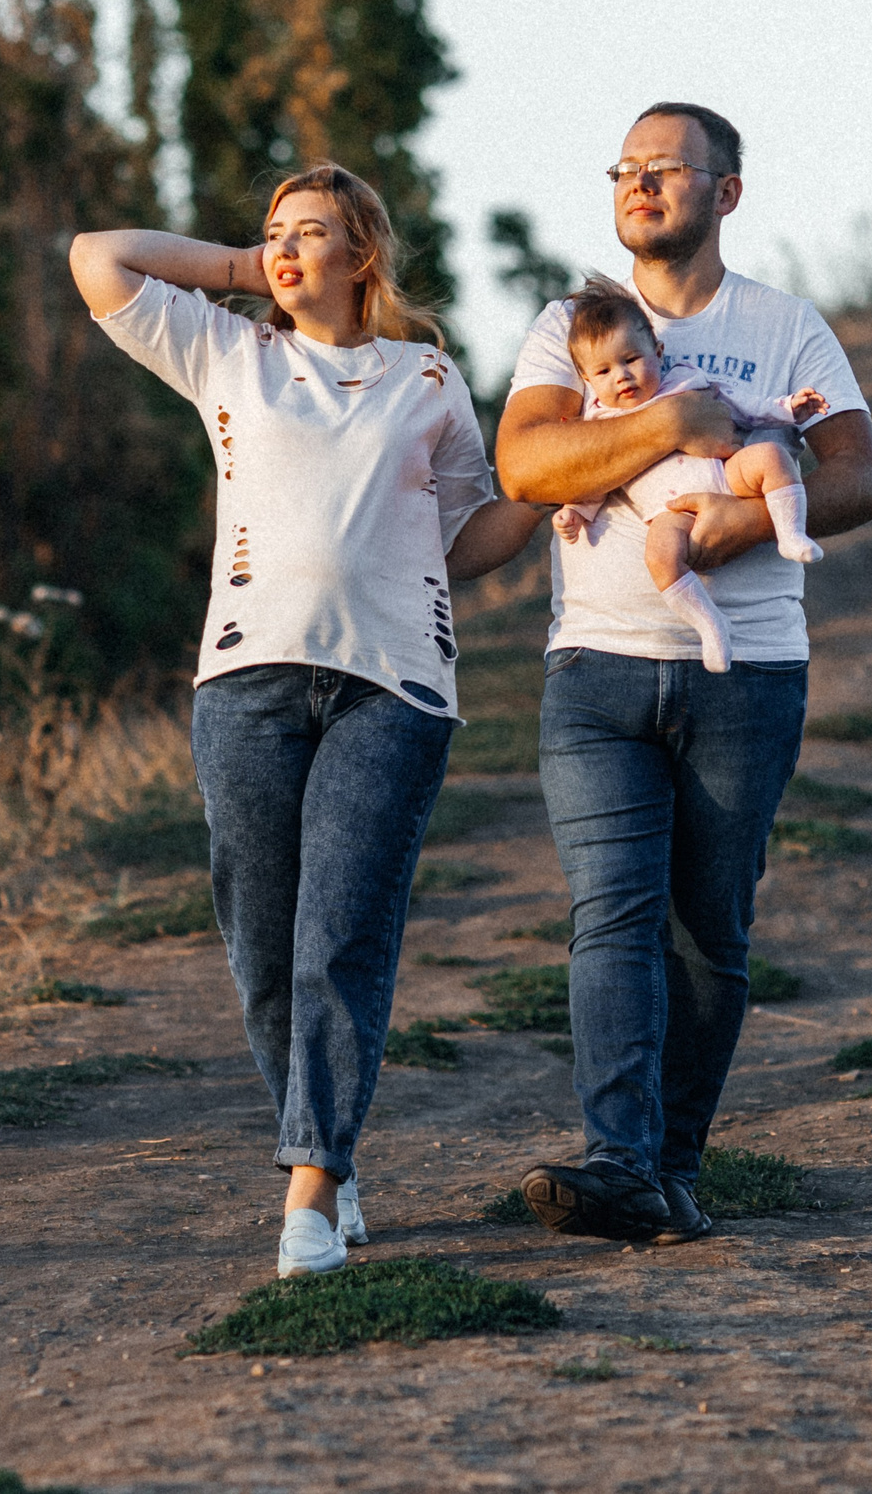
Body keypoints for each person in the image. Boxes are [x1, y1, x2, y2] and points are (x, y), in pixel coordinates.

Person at [69, 163, 545, 1277]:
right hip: (246, 680)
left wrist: (550, 493)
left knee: (342, 932)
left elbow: (465, 537)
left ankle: (313, 1190)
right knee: (263, 943)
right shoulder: (228, 351)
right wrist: (245, 269)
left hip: (394, 685)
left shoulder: (428, 378)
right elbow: (97, 257)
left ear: (362, 254)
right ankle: (323, 1136)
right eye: (274, 230)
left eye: (310, 232)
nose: (285, 247)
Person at [494, 103, 872, 1244]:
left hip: (747, 677)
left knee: (709, 933)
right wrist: (673, 418)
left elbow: (863, 479)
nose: (639, 183)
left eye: (665, 167)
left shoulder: (785, 325)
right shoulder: (570, 327)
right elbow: (527, 461)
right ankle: (618, 1161)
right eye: (625, 168)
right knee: (611, 914)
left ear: (726, 192)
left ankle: (671, 1169)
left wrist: (738, 525)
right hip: (597, 676)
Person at [550, 276, 830, 672]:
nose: (622, 376)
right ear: (588, 380)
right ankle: (710, 625)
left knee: (771, 456)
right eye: (604, 370)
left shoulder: (684, 379)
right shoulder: (601, 422)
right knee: (660, 556)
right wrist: (575, 512)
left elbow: (739, 404)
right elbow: (598, 478)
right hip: (670, 510)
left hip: (727, 475)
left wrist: (786, 408)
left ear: (658, 351)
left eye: (631, 359)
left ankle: (791, 533)